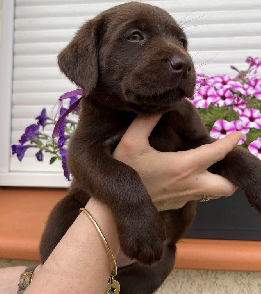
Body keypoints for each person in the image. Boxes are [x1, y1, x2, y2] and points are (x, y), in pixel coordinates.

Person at [0, 114, 242, 294]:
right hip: (90, 237)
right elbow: (83, 154)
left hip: (147, 257)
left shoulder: (178, 113)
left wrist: (33, 277)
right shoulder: (101, 112)